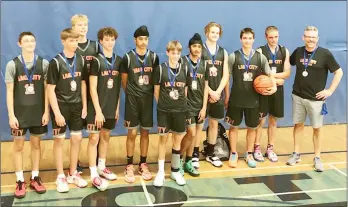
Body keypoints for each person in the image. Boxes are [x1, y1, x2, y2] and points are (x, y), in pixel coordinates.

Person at [286, 26, 343, 172]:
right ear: (303, 37)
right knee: (298, 125)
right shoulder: (298, 52)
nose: (310, 39)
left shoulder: (325, 54)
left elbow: (339, 72)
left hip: (316, 100)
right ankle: (296, 154)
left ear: (317, 39)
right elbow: (288, 63)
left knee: (317, 129)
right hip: (298, 95)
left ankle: (317, 157)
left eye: (313, 37)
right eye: (308, 36)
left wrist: (329, 90)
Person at [225, 28, 277, 168]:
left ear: (254, 40)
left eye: (250, 38)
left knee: (252, 128)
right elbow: (226, 77)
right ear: (241, 39)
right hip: (236, 99)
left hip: (254, 100)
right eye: (245, 38)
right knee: (233, 127)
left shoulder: (260, 57)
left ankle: (248, 154)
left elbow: (270, 74)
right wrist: (226, 96)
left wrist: (274, 86)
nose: (247, 41)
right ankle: (234, 153)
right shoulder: (233, 56)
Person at [5, 32, 49, 198]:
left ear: (35, 43)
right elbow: (9, 91)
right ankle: (19, 179)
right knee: (18, 147)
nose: (30, 43)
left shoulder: (43, 64)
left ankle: (35, 177)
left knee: (36, 145)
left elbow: (46, 90)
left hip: (38, 113)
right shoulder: (12, 65)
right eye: (26, 41)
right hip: (20, 114)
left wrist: (46, 111)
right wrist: (11, 115)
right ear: (19, 44)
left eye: (32, 40)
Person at [47, 28, 88, 193]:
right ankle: (60, 176)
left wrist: (85, 105)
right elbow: (50, 89)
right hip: (61, 105)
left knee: (77, 139)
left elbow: (83, 84)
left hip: (77, 105)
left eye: (76, 40)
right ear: (63, 41)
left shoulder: (81, 60)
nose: (75, 43)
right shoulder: (55, 62)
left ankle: (73, 173)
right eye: (71, 40)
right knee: (59, 140)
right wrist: (56, 113)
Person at [120, 26, 159, 183]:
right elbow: (124, 81)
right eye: (140, 39)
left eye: (146, 39)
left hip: (147, 100)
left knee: (145, 133)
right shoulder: (128, 58)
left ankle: (143, 162)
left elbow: (156, 80)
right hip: (132, 100)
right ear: (135, 40)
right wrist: (132, 93)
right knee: (132, 134)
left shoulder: (154, 57)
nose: (143, 42)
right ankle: (129, 164)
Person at [86, 27, 122, 191]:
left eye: (112, 39)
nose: (109, 42)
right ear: (100, 41)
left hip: (110, 106)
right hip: (96, 108)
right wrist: (98, 111)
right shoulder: (96, 60)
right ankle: (93, 173)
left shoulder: (119, 60)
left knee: (106, 136)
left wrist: (116, 108)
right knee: (94, 139)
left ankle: (102, 166)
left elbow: (118, 88)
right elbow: (92, 88)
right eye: (106, 39)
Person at [152, 40, 190, 187]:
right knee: (163, 141)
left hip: (181, 110)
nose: (175, 55)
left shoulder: (185, 69)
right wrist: (164, 105)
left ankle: (174, 171)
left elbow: (185, 91)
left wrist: (181, 104)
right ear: (167, 53)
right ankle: (160, 172)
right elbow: (156, 92)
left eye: (178, 53)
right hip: (164, 111)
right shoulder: (161, 69)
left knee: (177, 141)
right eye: (172, 52)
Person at [254, 26, 291, 162]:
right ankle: (256, 148)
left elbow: (287, 73)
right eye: (271, 37)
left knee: (273, 120)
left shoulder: (284, 51)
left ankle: (270, 148)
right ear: (265, 37)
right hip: (264, 90)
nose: (273, 39)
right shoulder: (260, 51)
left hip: (277, 91)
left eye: (276, 36)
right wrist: (275, 80)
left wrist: (271, 78)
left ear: (278, 36)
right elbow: (259, 74)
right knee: (261, 120)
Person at [71, 14, 99, 174]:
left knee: (95, 132)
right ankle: (77, 161)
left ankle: (94, 161)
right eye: (79, 25)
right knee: (77, 133)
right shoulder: (71, 46)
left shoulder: (95, 46)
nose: (83, 28)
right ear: (73, 28)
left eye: (85, 25)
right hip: (75, 93)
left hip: (92, 92)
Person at [179, 33, 208, 177]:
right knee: (190, 133)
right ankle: (178, 159)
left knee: (195, 135)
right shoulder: (183, 61)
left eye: (199, 46)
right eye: (194, 46)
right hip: (187, 105)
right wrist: (183, 105)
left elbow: (206, 87)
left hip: (200, 105)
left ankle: (188, 161)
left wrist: (204, 107)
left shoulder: (204, 64)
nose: (197, 49)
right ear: (189, 47)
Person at [202, 22, 229, 168]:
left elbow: (225, 75)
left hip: (217, 93)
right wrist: (210, 91)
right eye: (212, 32)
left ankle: (211, 153)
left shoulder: (223, 52)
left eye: (217, 33)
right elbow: (197, 74)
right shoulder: (200, 50)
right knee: (199, 124)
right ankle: (193, 154)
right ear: (206, 32)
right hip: (202, 92)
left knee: (214, 123)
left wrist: (218, 91)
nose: (214, 35)